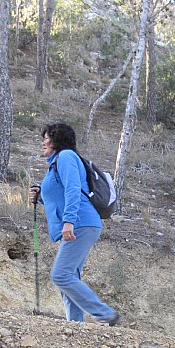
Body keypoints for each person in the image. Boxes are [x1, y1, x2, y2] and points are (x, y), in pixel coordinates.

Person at [28, 123, 120, 326]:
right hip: (79, 223)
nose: (43, 141)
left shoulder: (67, 157)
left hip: (80, 223)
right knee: (68, 278)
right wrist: (41, 196)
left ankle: (104, 313)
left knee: (60, 275)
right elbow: (61, 196)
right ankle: (75, 325)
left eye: (47, 138)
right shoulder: (55, 164)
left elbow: (73, 189)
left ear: (58, 140)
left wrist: (68, 221)